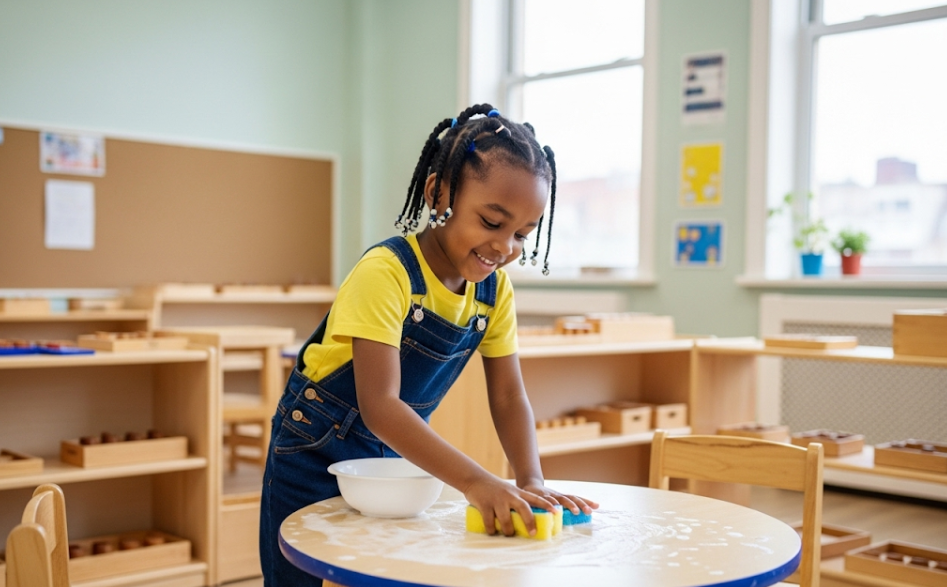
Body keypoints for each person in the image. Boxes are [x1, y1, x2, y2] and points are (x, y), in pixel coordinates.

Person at [259, 103, 598, 585]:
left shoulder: (493, 292)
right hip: (313, 453)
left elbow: (508, 397)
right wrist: (476, 481)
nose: (505, 247)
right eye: (491, 221)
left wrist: (530, 480)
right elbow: (380, 405)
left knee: (382, 574)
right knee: (304, 576)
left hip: (395, 463)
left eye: (523, 233)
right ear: (439, 191)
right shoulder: (386, 272)